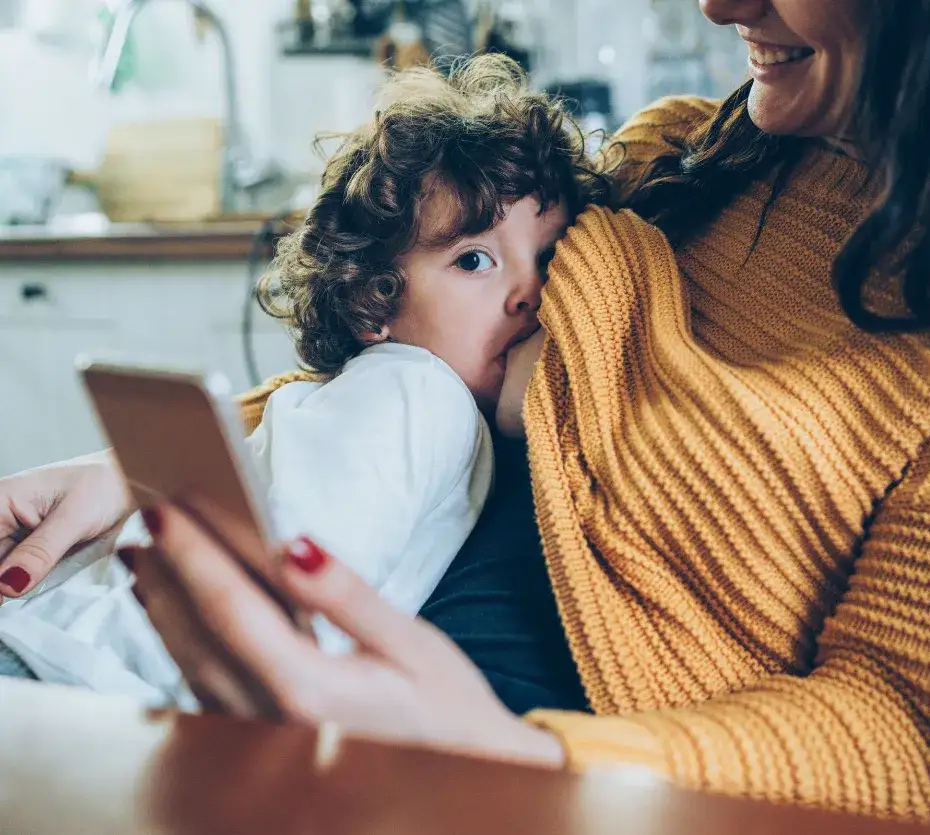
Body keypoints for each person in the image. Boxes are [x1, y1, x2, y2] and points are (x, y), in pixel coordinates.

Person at [0, 0, 930, 824]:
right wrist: (147, 467)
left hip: (518, 777)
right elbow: (440, 366)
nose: (712, 2)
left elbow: (902, 739)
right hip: (314, 691)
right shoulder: (676, 160)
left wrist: (517, 756)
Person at [0, 55, 601, 707]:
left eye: (548, 256)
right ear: (377, 302)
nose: (531, 293)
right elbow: (279, 602)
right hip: (83, 668)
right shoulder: (417, 394)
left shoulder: (405, 400)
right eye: (474, 259)